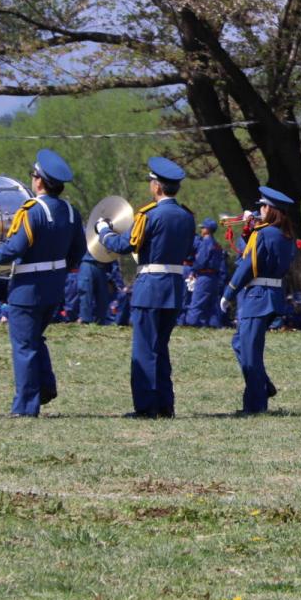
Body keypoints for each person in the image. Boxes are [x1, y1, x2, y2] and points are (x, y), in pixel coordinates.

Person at [0, 149, 85, 416]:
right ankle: (45, 387)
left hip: (27, 289)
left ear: (39, 181)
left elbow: (15, 248)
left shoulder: (32, 210)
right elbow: (78, 251)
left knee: (24, 346)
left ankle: (25, 407)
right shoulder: (71, 212)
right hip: (54, 286)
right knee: (35, 339)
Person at [95, 157, 196, 418]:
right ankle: (165, 405)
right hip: (174, 286)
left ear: (158, 187)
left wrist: (104, 231)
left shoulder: (149, 214)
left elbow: (124, 246)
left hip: (151, 286)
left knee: (145, 349)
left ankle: (147, 406)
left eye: (152, 182)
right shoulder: (186, 216)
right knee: (161, 347)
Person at [220, 187, 299, 414]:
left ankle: (255, 405)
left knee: (250, 353)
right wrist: (249, 233)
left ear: (270, 209)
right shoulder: (284, 235)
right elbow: (259, 254)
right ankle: (263, 386)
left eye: (262, 206)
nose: (259, 210)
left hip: (257, 297)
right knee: (240, 344)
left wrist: (229, 292)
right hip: (272, 295)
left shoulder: (263, 233)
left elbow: (248, 265)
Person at [186, 218, 225, 327]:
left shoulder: (205, 242)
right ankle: (214, 324)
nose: (201, 229)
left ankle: (191, 323)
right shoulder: (216, 244)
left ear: (207, 230)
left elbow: (201, 260)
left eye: (203, 227)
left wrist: (193, 270)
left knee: (197, 301)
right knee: (212, 304)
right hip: (214, 277)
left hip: (204, 276)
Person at [77, 251, 114, 324]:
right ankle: (85, 320)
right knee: (85, 293)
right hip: (87, 262)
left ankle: (100, 321)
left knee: (103, 296)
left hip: (103, 266)